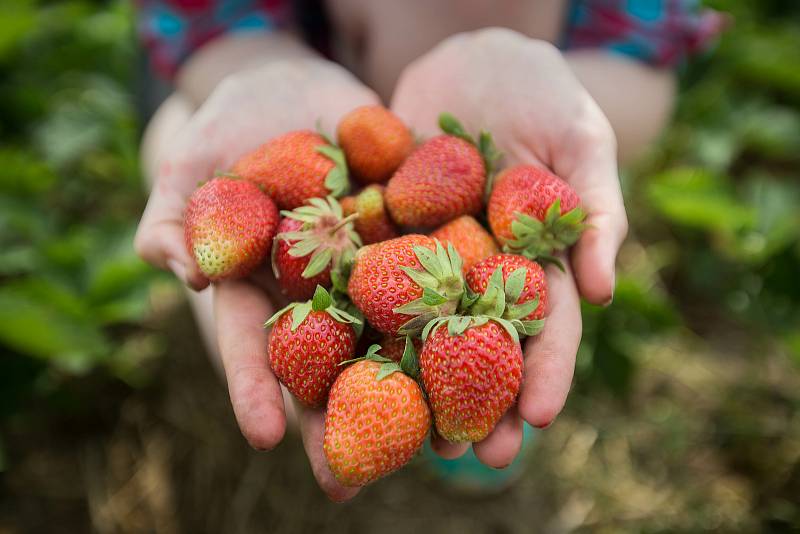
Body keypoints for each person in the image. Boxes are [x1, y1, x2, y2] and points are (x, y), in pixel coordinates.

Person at [133, 0, 721, 502]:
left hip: (520, 97)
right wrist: (265, 71)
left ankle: (450, 411)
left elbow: (645, 56)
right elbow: (204, 20)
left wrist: (528, 79)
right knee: (172, 139)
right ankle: (440, 405)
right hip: (271, 74)